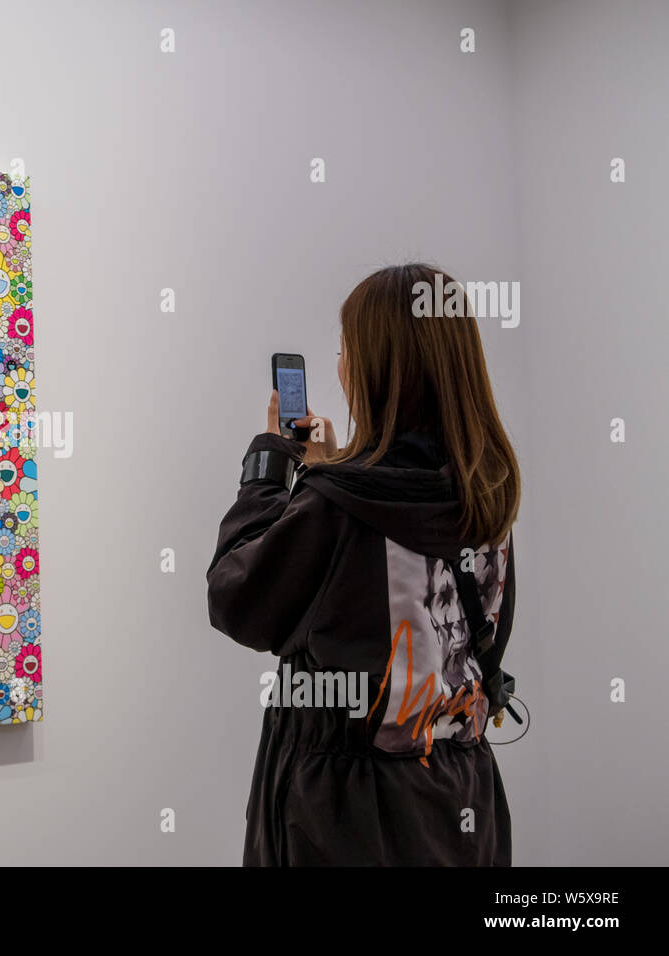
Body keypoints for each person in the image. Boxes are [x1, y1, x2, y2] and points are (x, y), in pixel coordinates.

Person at [206, 263, 520, 866]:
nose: (344, 367)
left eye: (347, 349)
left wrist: (271, 468)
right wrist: (331, 473)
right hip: (462, 793)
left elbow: (237, 600)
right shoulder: (489, 497)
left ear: (377, 370)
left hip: (348, 815)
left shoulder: (337, 506)